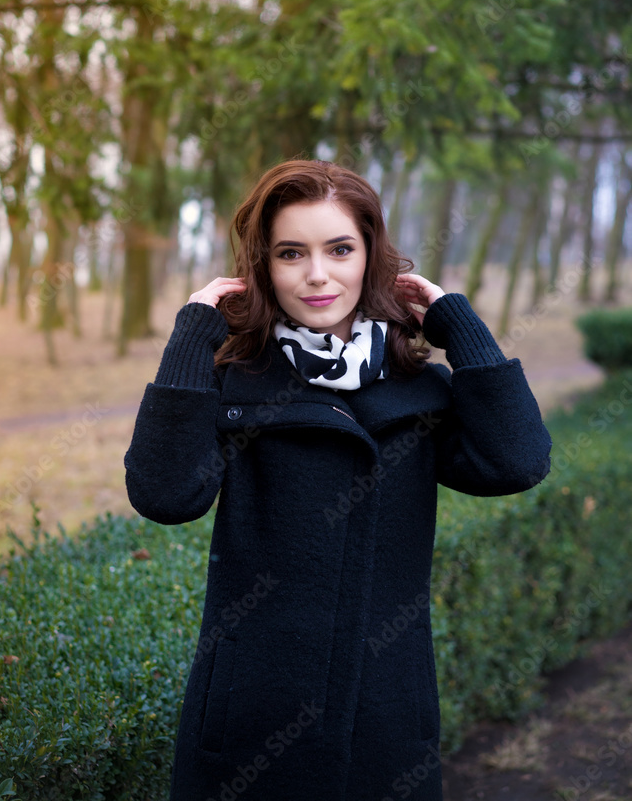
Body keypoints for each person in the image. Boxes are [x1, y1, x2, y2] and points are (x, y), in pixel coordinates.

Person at [124, 157, 552, 801]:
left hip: (387, 718)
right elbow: (164, 495)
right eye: (291, 253)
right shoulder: (237, 384)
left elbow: (517, 463)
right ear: (264, 267)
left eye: (340, 249)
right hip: (250, 720)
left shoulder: (419, 390)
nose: (317, 274)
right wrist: (192, 338)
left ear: (371, 256)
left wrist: (458, 325)